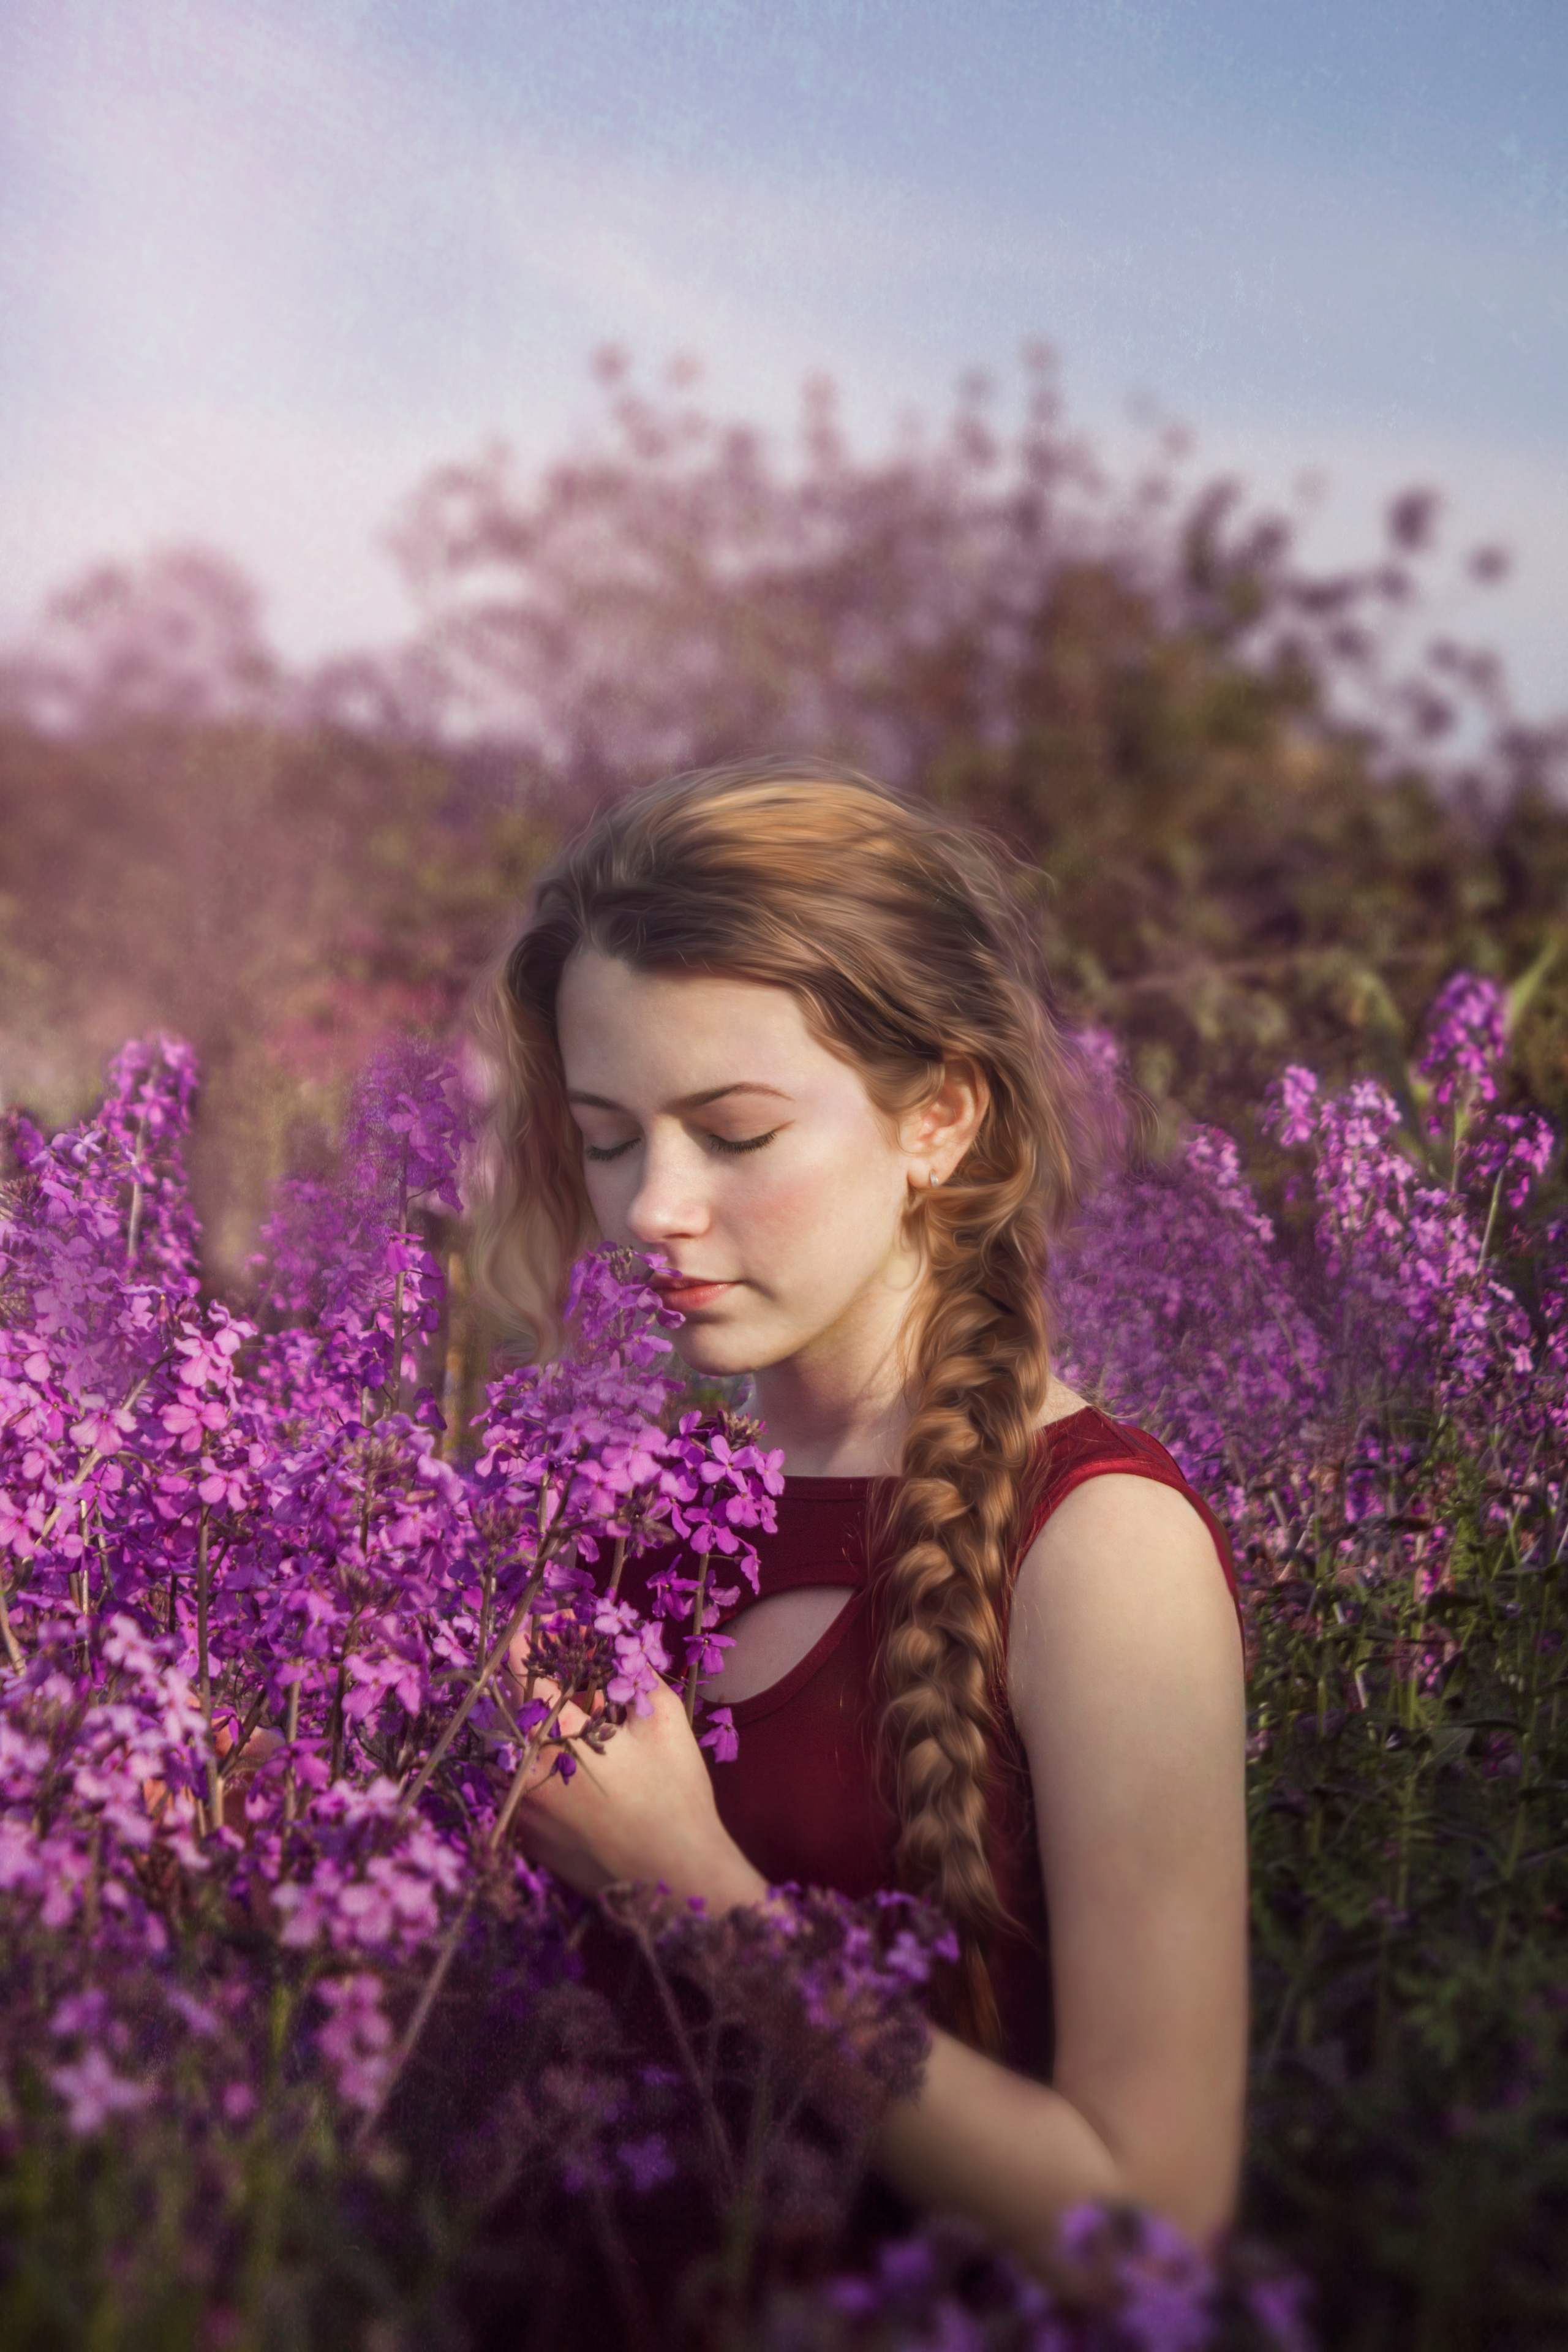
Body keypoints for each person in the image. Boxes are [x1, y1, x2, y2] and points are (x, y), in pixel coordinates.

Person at [473, 760, 1249, 2269]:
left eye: (736, 1132)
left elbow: (1147, 2232)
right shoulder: (628, 1524)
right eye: (611, 1134)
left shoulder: (1097, 1550)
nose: (647, 1208)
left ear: (938, 1119)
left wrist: (687, 1897)